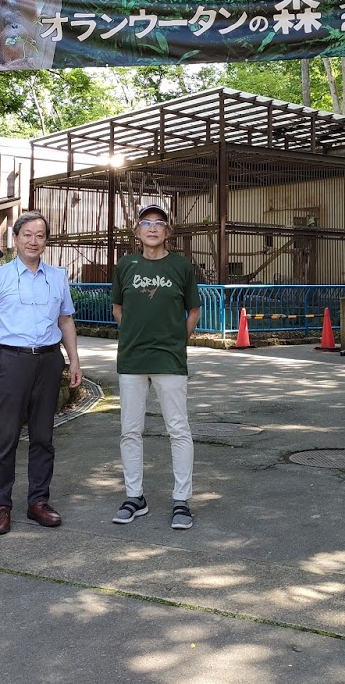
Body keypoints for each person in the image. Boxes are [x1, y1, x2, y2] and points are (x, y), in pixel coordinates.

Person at [0, 211, 82, 535]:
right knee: (5, 437)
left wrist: (74, 360)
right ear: (16, 239)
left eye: (40, 235)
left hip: (48, 361)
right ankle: (1, 506)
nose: (33, 241)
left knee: (43, 437)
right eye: (27, 235)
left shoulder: (58, 277)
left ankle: (38, 502)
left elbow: (65, 321)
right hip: (13, 361)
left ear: (46, 241)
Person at [110, 202, 201, 530]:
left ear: (167, 231)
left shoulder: (181, 266)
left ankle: (181, 501)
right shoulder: (125, 266)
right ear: (137, 230)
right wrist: (132, 332)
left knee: (178, 429)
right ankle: (135, 497)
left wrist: (178, 339)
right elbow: (118, 308)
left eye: (158, 223)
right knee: (130, 430)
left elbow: (193, 311)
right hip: (132, 360)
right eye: (145, 222)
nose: (152, 228)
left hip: (170, 360)